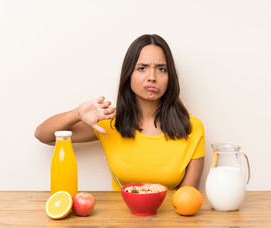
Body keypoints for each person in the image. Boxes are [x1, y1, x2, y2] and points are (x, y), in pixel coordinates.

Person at [35, 34, 205, 191]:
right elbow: (44, 135)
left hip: (170, 222)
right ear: (128, 74)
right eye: (142, 68)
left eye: (161, 69)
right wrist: (77, 113)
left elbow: (187, 199)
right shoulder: (109, 122)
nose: (152, 76)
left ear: (171, 77)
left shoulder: (191, 128)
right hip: (119, 220)